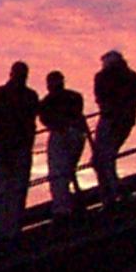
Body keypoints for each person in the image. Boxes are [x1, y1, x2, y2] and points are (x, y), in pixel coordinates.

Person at [0, 61, 39, 242]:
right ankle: (13, 231)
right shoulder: (30, 95)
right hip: (21, 148)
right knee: (18, 192)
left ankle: (0, 233)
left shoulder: (0, 93)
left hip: (2, 148)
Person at [91, 49, 136, 198]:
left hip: (109, 120)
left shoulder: (102, 77)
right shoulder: (130, 75)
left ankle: (112, 191)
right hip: (126, 120)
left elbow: (100, 98)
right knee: (108, 156)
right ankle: (114, 188)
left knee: (100, 158)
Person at [36, 70, 87, 213]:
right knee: (68, 170)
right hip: (77, 134)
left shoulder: (46, 102)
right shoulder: (75, 97)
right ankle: (71, 200)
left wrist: (59, 125)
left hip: (61, 135)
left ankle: (62, 207)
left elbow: (44, 119)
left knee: (58, 172)